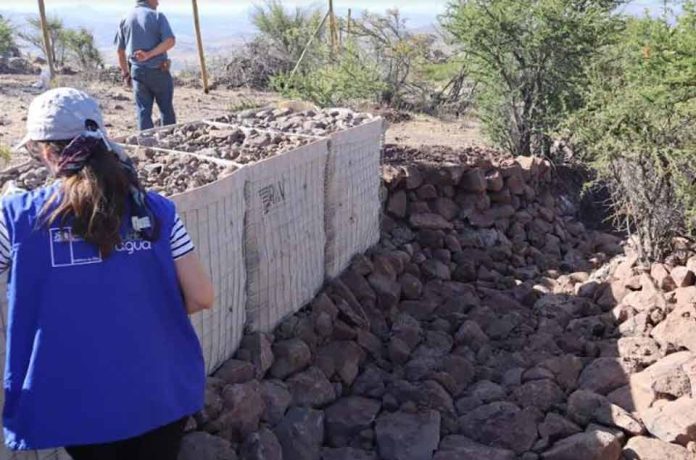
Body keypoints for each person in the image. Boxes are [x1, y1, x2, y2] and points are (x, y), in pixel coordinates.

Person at [2, 87, 213, 459]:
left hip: (81, 403)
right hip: (161, 391)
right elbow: (201, 296)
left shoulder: (16, 217)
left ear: (47, 152)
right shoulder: (156, 210)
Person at [116, 0, 177, 131]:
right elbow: (170, 41)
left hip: (137, 72)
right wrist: (150, 54)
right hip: (158, 70)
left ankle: (146, 143)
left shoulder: (125, 18)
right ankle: (170, 141)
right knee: (166, 109)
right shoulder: (157, 16)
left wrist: (125, 74)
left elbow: (120, 52)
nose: (158, 2)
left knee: (143, 110)